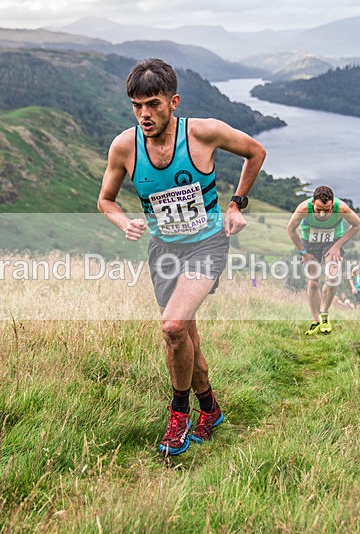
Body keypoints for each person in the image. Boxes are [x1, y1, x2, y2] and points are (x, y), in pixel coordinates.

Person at [97, 58, 266, 456]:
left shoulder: (203, 133)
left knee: (172, 327)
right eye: (137, 105)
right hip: (163, 250)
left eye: (153, 104)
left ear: (173, 102)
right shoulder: (124, 147)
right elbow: (105, 200)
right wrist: (124, 223)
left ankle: (179, 414)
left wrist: (237, 204)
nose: (144, 114)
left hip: (207, 244)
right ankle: (210, 409)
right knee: (185, 336)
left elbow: (255, 152)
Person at [286, 186, 360, 335]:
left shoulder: (342, 209)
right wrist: (304, 252)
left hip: (332, 242)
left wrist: (337, 246)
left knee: (332, 277)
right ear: (313, 202)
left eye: (327, 210)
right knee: (313, 282)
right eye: (318, 209)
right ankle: (316, 321)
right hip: (310, 243)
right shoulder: (303, 209)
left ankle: (324, 315)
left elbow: (358, 224)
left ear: (332, 204)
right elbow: (290, 229)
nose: (322, 214)